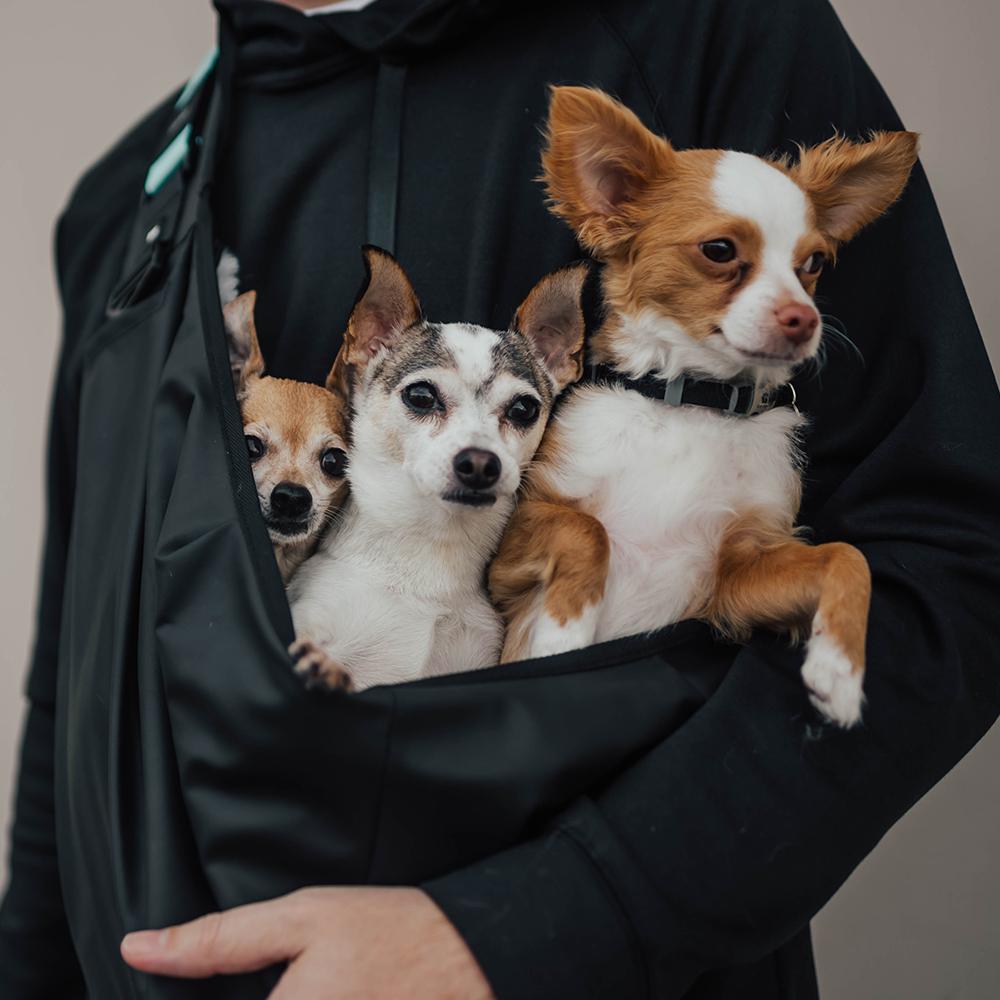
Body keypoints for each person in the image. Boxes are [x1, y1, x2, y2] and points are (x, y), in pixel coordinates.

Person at [2, 0, 999, 997]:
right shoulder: (125, 203)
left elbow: (951, 555)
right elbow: (78, 683)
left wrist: (533, 927)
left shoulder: (708, 31)